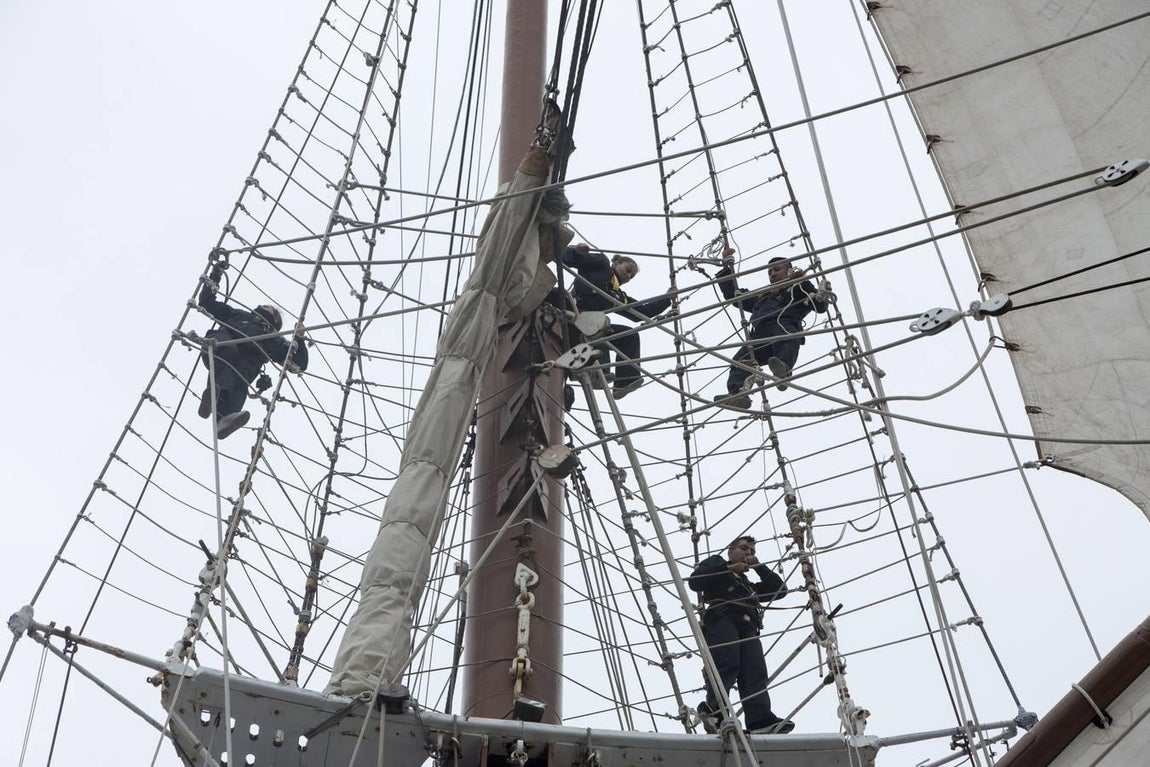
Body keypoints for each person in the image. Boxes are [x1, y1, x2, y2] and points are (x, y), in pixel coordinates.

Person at [688, 536, 794, 735]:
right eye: (744, 548)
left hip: (748, 626)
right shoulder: (717, 564)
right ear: (730, 550)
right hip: (723, 618)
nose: (748, 553)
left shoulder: (747, 585)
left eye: (752, 551)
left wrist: (759, 567)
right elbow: (695, 582)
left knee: (755, 671)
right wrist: (729, 569)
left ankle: (760, 720)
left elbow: (779, 591)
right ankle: (715, 712)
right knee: (727, 663)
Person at [197, 273, 309, 440]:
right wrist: (215, 275)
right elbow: (207, 303)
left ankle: (224, 419)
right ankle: (214, 396)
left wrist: (300, 338)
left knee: (241, 380)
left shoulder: (275, 341)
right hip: (220, 349)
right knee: (229, 355)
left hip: (242, 367)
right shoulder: (239, 316)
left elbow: (299, 364)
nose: (264, 306)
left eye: (268, 307)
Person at [560, 243, 678, 399]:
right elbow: (567, 258)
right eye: (628, 270)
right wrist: (577, 252)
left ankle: (625, 382)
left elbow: (641, 312)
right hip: (573, 317)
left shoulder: (618, 295)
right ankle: (600, 370)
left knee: (630, 336)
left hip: (592, 328)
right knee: (603, 323)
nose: (628, 276)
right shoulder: (601, 264)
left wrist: (666, 299)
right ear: (615, 263)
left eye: (632, 276)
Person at [713, 255, 827, 408]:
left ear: (789, 271)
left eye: (777, 269)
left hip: (784, 326)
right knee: (740, 360)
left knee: (787, 337)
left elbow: (820, 307)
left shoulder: (798, 288)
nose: (772, 274)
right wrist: (726, 269)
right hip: (759, 335)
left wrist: (802, 281)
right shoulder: (763, 295)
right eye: (769, 272)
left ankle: (783, 370)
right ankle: (738, 394)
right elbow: (734, 297)